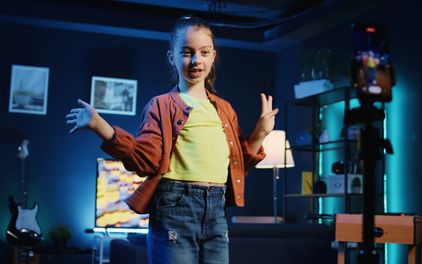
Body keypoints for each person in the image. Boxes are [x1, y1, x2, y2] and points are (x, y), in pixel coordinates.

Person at [65, 16, 278, 264]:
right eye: (187, 52)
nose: (196, 60)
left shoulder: (225, 109)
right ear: (171, 57)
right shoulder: (161, 106)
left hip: (216, 209)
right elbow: (145, 161)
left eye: (204, 52)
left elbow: (238, 165)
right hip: (175, 206)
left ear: (213, 56)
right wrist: (101, 127)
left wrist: (261, 132)